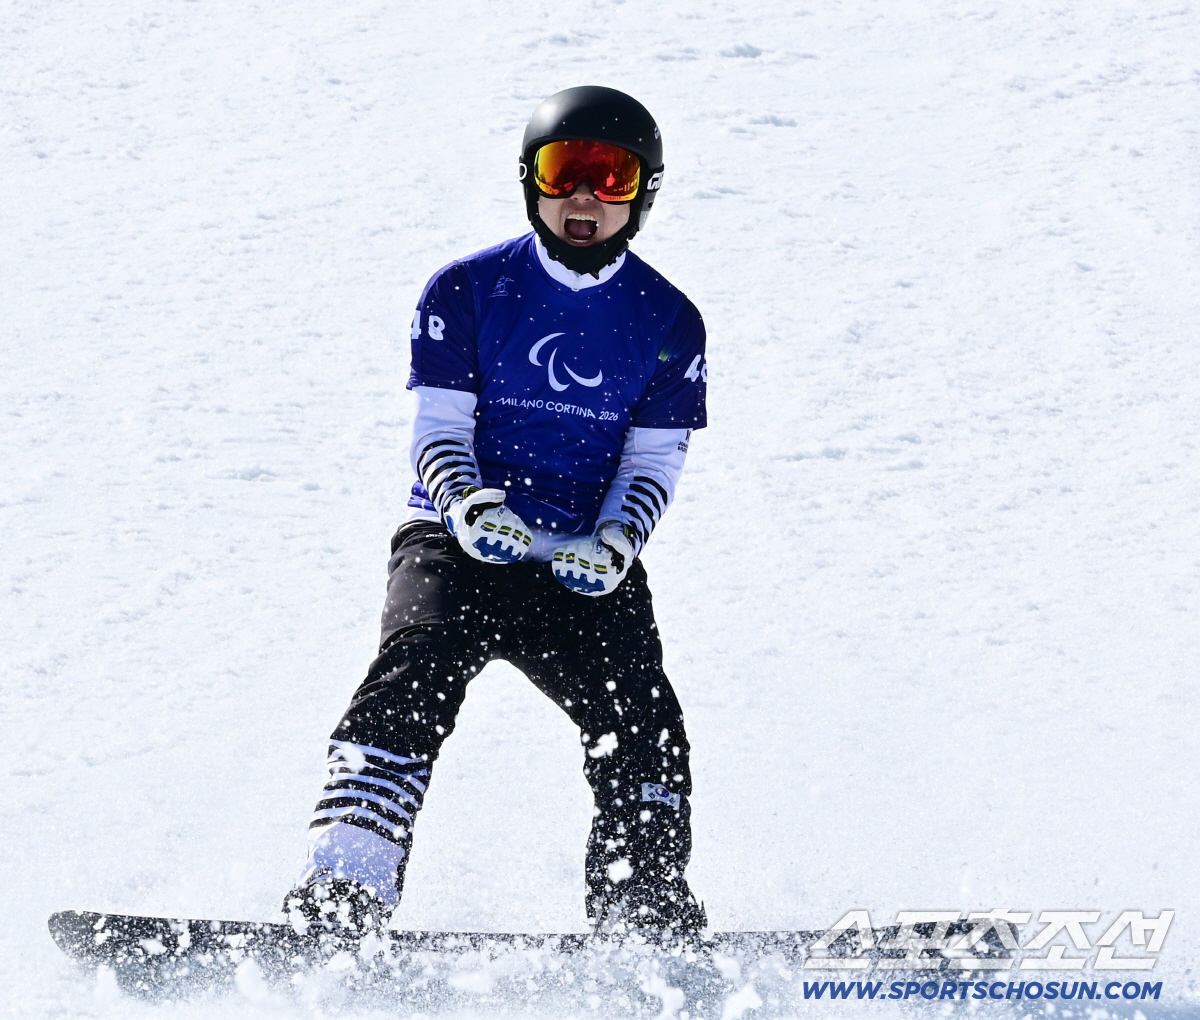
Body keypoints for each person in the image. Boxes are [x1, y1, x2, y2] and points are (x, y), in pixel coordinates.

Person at [283, 86, 709, 937]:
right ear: (530, 181)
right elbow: (439, 429)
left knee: (644, 717)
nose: (584, 197)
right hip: (454, 541)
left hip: (583, 560)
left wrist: (618, 539)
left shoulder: (669, 322)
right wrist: (469, 507)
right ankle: (343, 894)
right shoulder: (469, 290)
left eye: (612, 176)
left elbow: (653, 459)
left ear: (644, 193)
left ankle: (643, 908)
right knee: (412, 676)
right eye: (564, 171)